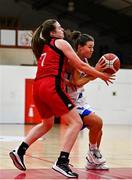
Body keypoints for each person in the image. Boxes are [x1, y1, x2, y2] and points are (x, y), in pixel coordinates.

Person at [9, 19, 114, 178]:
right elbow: (82, 67)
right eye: (59, 27)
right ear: (53, 33)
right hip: (50, 86)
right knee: (76, 122)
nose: (62, 29)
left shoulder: (45, 46)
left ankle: (19, 150)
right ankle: (62, 162)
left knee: (47, 123)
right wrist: (101, 75)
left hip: (37, 87)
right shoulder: (60, 42)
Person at [64, 31, 111, 170]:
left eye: (93, 47)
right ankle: (92, 154)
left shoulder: (83, 61)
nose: (92, 50)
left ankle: (92, 159)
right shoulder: (73, 60)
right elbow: (78, 82)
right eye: (89, 47)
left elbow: (85, 77)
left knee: (98, 129)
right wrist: (95, 74)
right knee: (97, 122)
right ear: (79, 47)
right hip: (70, 102)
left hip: (80, 100)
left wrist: (96, 72)